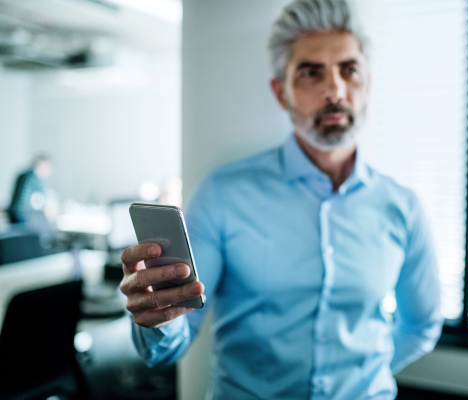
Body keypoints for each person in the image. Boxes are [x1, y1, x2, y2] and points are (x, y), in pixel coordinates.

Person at [120, 0, 443, 398]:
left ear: (367, 84)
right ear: (281, 92)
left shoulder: (403, 206)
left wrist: (363, 377)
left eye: (349, 69)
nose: (335, 89)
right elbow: (175, 338)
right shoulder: (223, 195)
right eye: (311, 72)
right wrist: (158, 319)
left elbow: (421, 325)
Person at [7, 155, 53, 224]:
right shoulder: (33, 178)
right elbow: (36, 200)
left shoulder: (24, 175)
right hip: (22, 215)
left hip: (14, 212)